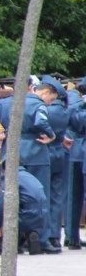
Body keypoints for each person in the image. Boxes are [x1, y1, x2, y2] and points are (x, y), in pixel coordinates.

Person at [0, 77, 57, 249]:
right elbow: (41, 121)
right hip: (36, 152)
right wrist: (51, 135)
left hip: (11, 152)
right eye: (51, 99)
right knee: (40, 196)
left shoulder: (4, 103)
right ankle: (40, 238)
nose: (50, 103)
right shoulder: (38, 104)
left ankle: (10, 238)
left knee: (10, 195)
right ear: (40, 90)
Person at [0, 168, 52, 255]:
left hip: (25, 218)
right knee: (21, 206)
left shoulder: (11, 177)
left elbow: (1, 206)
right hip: (41, 220)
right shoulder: (31, 177)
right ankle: (27, 236)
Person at [43, 77, 70, 250]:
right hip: (60, 153)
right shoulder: (65, 112)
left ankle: (44, 234)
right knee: (56, 196)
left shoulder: (45, 110)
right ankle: (54, 235)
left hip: (44, 153)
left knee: (44, 194)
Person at [66, 82, 86, 248]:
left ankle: (71, 236)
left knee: (74, 195)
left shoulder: (75, 106)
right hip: (80, 149)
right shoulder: (78, 107)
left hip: (76, 150)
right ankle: (72, 236)